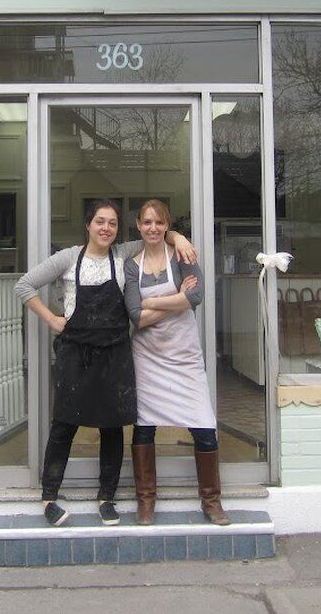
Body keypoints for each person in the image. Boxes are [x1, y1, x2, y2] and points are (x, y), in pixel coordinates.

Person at [15, 199, 196, 527]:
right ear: (88, 225)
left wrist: (179, 237)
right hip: (76, 354)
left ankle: (107, 497)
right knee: (64, 425)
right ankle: (49, 496)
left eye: (112, 223)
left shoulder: (123, 254)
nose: (106, 228)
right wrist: (51, 319)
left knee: (112, 427)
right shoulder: (68, 258)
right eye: (100, 221)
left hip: (115, 353)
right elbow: (24, 285)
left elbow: (155, 233)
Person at [124, 199, 231, 526]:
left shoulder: (182, 255)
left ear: (167, 225)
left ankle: (211, 501)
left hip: (184, 357)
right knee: (144, 428)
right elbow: (136, 317)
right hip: (147, 357)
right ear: (138, 226)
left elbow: (196, 297)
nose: (153, 228)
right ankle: (146, 501)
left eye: (159, 222)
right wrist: (177, 300)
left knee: (204, 427)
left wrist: (152, 301)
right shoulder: (132, 265)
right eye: (147, 222)